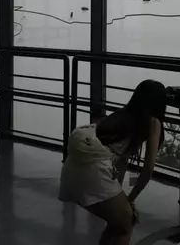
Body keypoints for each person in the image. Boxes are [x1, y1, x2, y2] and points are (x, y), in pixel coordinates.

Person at [59, 79, 166, 245]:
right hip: (95, 171)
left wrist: (120, 197)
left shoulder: (122, 116)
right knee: (125, 222)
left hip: (73, 167)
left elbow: (120, 162)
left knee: (117, 222)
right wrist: (130, 199)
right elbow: (148, 169)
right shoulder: (153, 122)